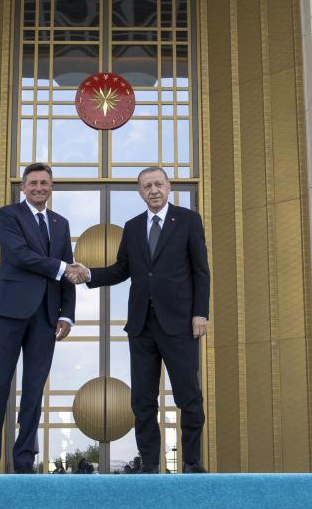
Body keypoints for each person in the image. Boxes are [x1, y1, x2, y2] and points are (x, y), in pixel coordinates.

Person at [67, 166, 210, 473]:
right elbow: (122, 269)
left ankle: (192, 462)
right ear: (140, 192)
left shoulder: (188, 220)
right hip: (141, 325)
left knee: (188, 397)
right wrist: (89, 274)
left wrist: (200, 313)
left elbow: (201, 270)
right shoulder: (132, 227)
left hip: (180, 323)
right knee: (143, 400)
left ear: (168, 187)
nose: (153, 190)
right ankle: (149, 464)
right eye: (147, 186)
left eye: (158, 184)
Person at [0, 163, 78, 473]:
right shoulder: (8, 215)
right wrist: (61, 268)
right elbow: (19, 255)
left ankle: (23, 461)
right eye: (33, 183)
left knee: (34, 391)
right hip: (8, 311)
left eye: (44, 183)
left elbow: (68, 268)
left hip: (46, 316)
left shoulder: (60, 223)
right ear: (23, 187)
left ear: (51, 187)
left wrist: (67, 314)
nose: (39, 188)